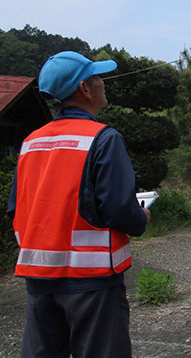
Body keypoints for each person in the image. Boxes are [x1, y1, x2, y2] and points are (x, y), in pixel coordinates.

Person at [7, 51, 150, 358]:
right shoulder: (104, 138)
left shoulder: (31, 142)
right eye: (97, 77)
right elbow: (119, 208)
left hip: (38, 279)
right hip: (93, 281)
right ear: (85, 89)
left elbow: (16, 209)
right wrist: (142, 218)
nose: (102, 83)